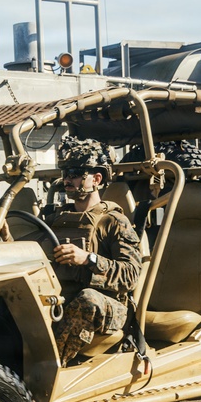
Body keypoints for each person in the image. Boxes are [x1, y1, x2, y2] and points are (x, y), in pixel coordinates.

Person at [48, 137, 143, 365]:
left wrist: (87, 259)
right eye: (65, 174)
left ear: (96, 179)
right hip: (62, 299)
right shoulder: (56, 219)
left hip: (109, 306)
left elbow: (131, 275)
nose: (67, 180)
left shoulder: (114, 221)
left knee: (87, 299)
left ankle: (53, 366)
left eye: (75, 173)